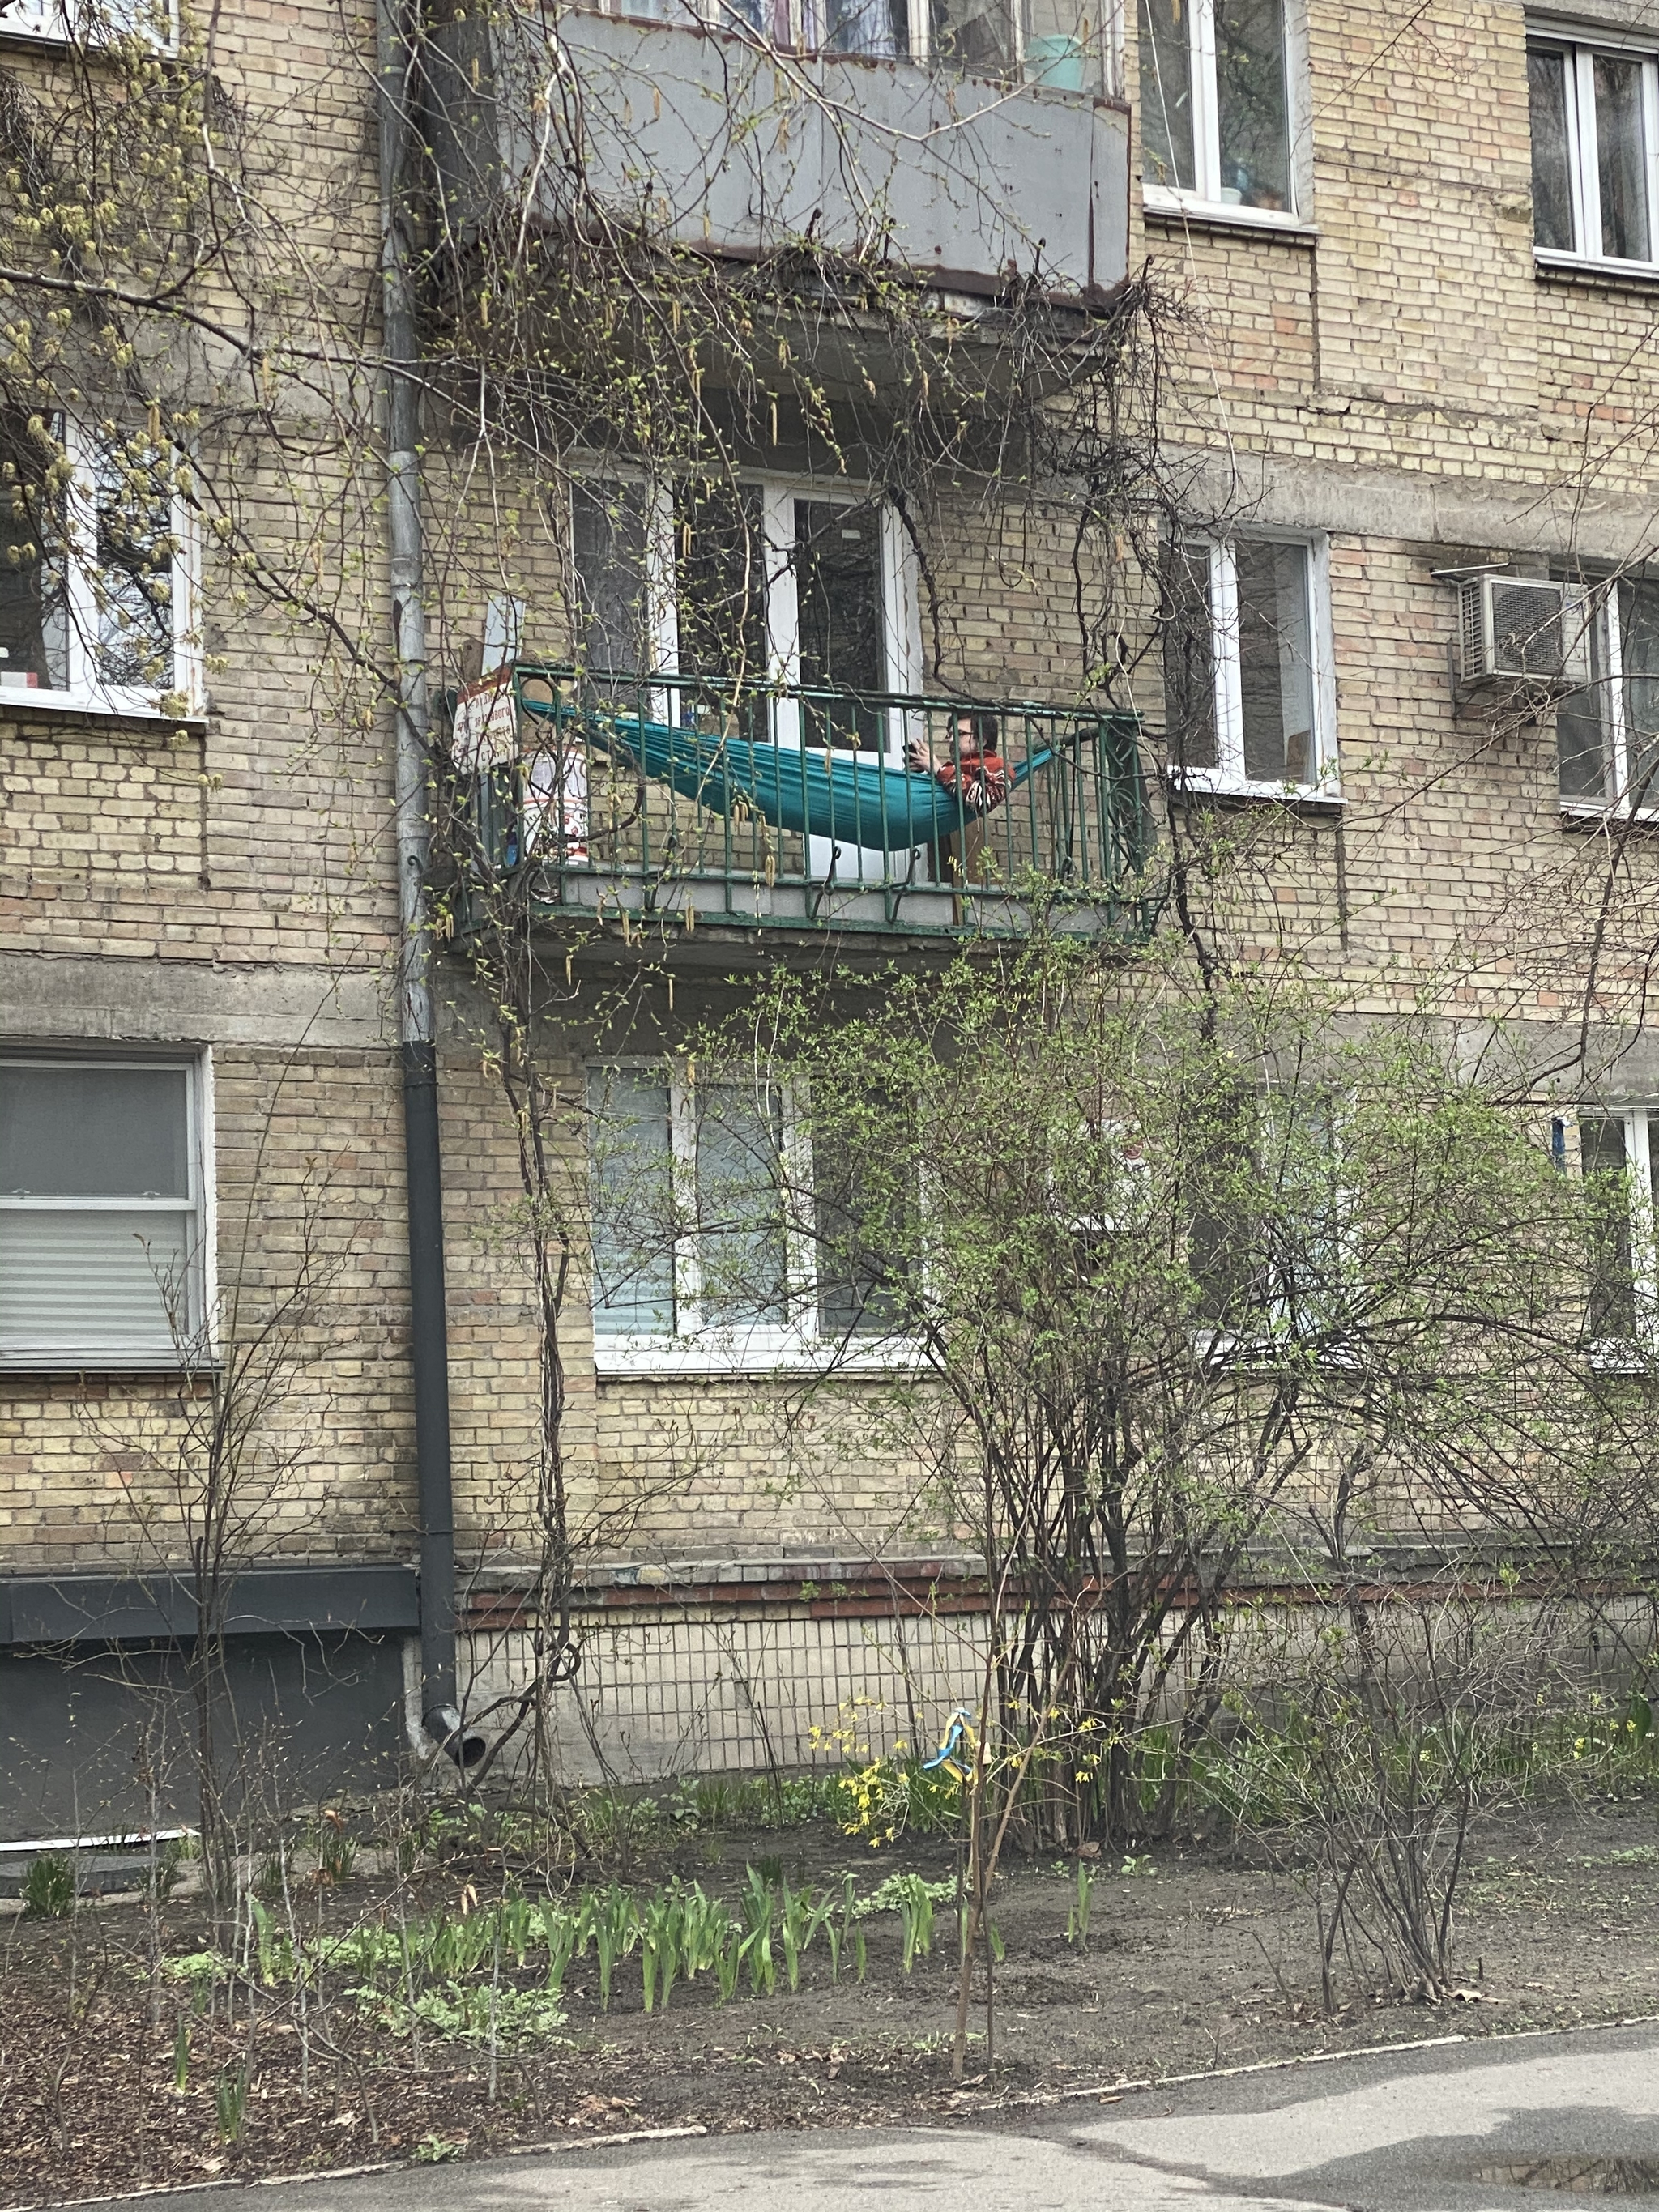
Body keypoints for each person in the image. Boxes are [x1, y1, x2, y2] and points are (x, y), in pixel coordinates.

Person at [906, 709, 1010, 813]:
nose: (951, 740)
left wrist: (939, 769)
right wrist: (922, 772)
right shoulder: (951, 770)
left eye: (960, 733)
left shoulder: (1000, 768)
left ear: (981, 741)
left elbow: (984, 801)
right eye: (950, 735)